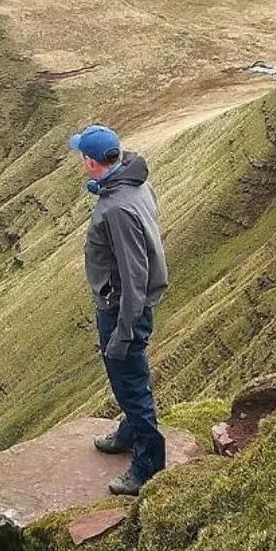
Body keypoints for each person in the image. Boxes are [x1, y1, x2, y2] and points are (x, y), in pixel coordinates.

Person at [69, 123, 169, 495]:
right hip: (124, 306)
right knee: (126, 380)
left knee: (131, 384)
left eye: (83, 157)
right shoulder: (134, 185)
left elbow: (134, 274)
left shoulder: (116, 209)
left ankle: (148, 464)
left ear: (92, 162)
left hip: (122, 310)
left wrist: (124, 332)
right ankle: (129, 433)